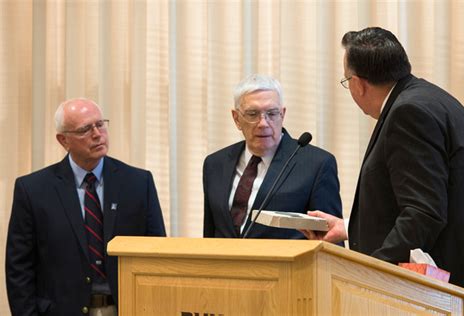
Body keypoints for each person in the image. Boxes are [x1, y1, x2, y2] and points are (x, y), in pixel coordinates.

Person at [302, 27, 464, 313]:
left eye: (347, 80)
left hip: (440, 294)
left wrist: (373, 271)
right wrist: (347, 227)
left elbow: (424, 212)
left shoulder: (409, 112)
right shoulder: (431, 99)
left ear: (357, 84)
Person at [6, 98, 167, 316]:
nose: (97, 134)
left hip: (127, 308)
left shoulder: (138, 183)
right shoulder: (33, 190)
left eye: (100, 124)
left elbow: (156, 255)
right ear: (63, 140)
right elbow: (19, 269)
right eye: (85, 129)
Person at [203, 74, 342, 239]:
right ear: (236, 118)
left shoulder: (316, 164)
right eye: (252, 114)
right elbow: (210, 234)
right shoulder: (215, 164)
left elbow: (330, 240)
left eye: (272, 113)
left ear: (282, 114)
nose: (263, 123)